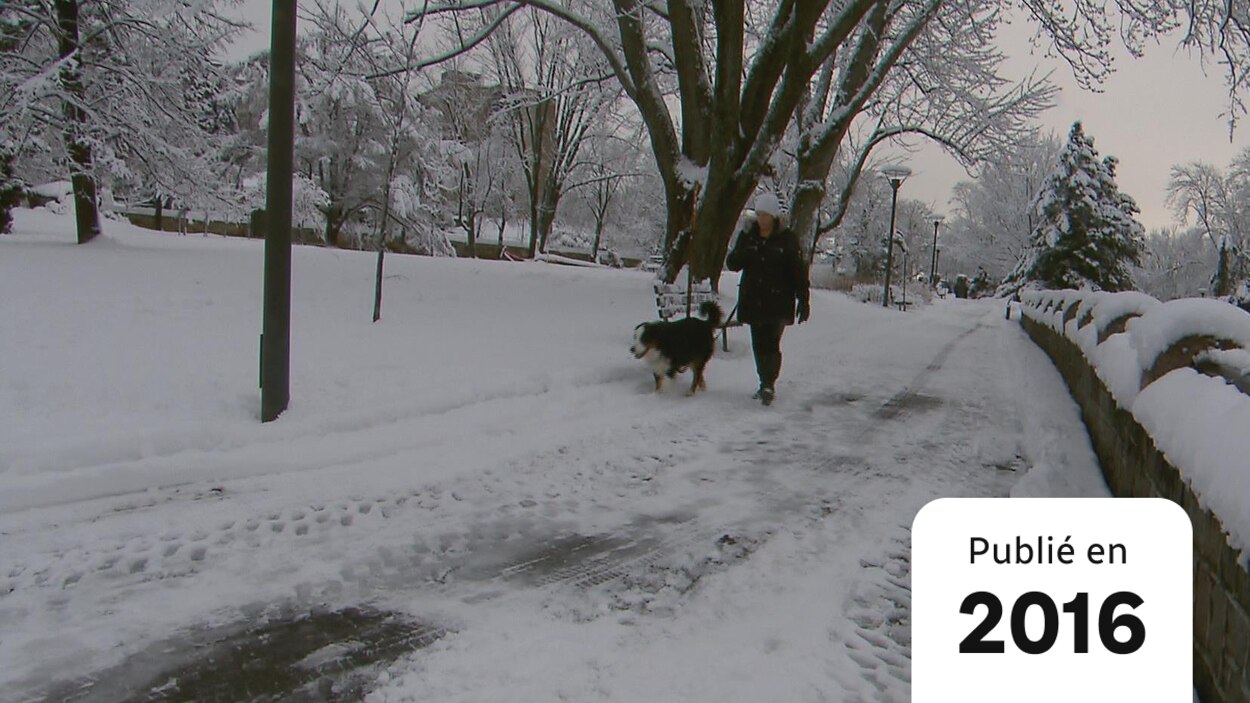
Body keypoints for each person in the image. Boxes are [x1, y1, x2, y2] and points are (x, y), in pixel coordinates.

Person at [726, 191, 811, 406]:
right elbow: (733, 263)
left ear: (774, 216)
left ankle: (768, 383)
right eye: (759, 214)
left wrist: (803, 298)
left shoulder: (787, 239)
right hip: (754, 298)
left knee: (771, 342)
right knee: (758, 343)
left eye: (766, 215)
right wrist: (745, 252)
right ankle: (764, 381)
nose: (762, 219)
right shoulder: (748, 236)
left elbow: (798, 271)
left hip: (778, 300)